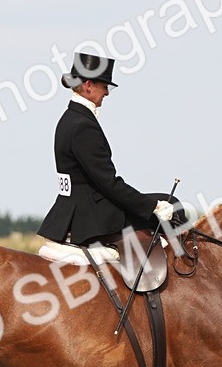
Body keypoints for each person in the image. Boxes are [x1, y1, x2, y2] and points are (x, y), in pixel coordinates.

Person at [37, 51, 175, 248]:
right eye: (105, 87)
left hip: (74, 207)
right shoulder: (83, 125)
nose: (107, 93)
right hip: (90, 216)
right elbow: (109, 183)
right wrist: (152, 206)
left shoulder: (68, 118)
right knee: (174, 206)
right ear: (88, 85)